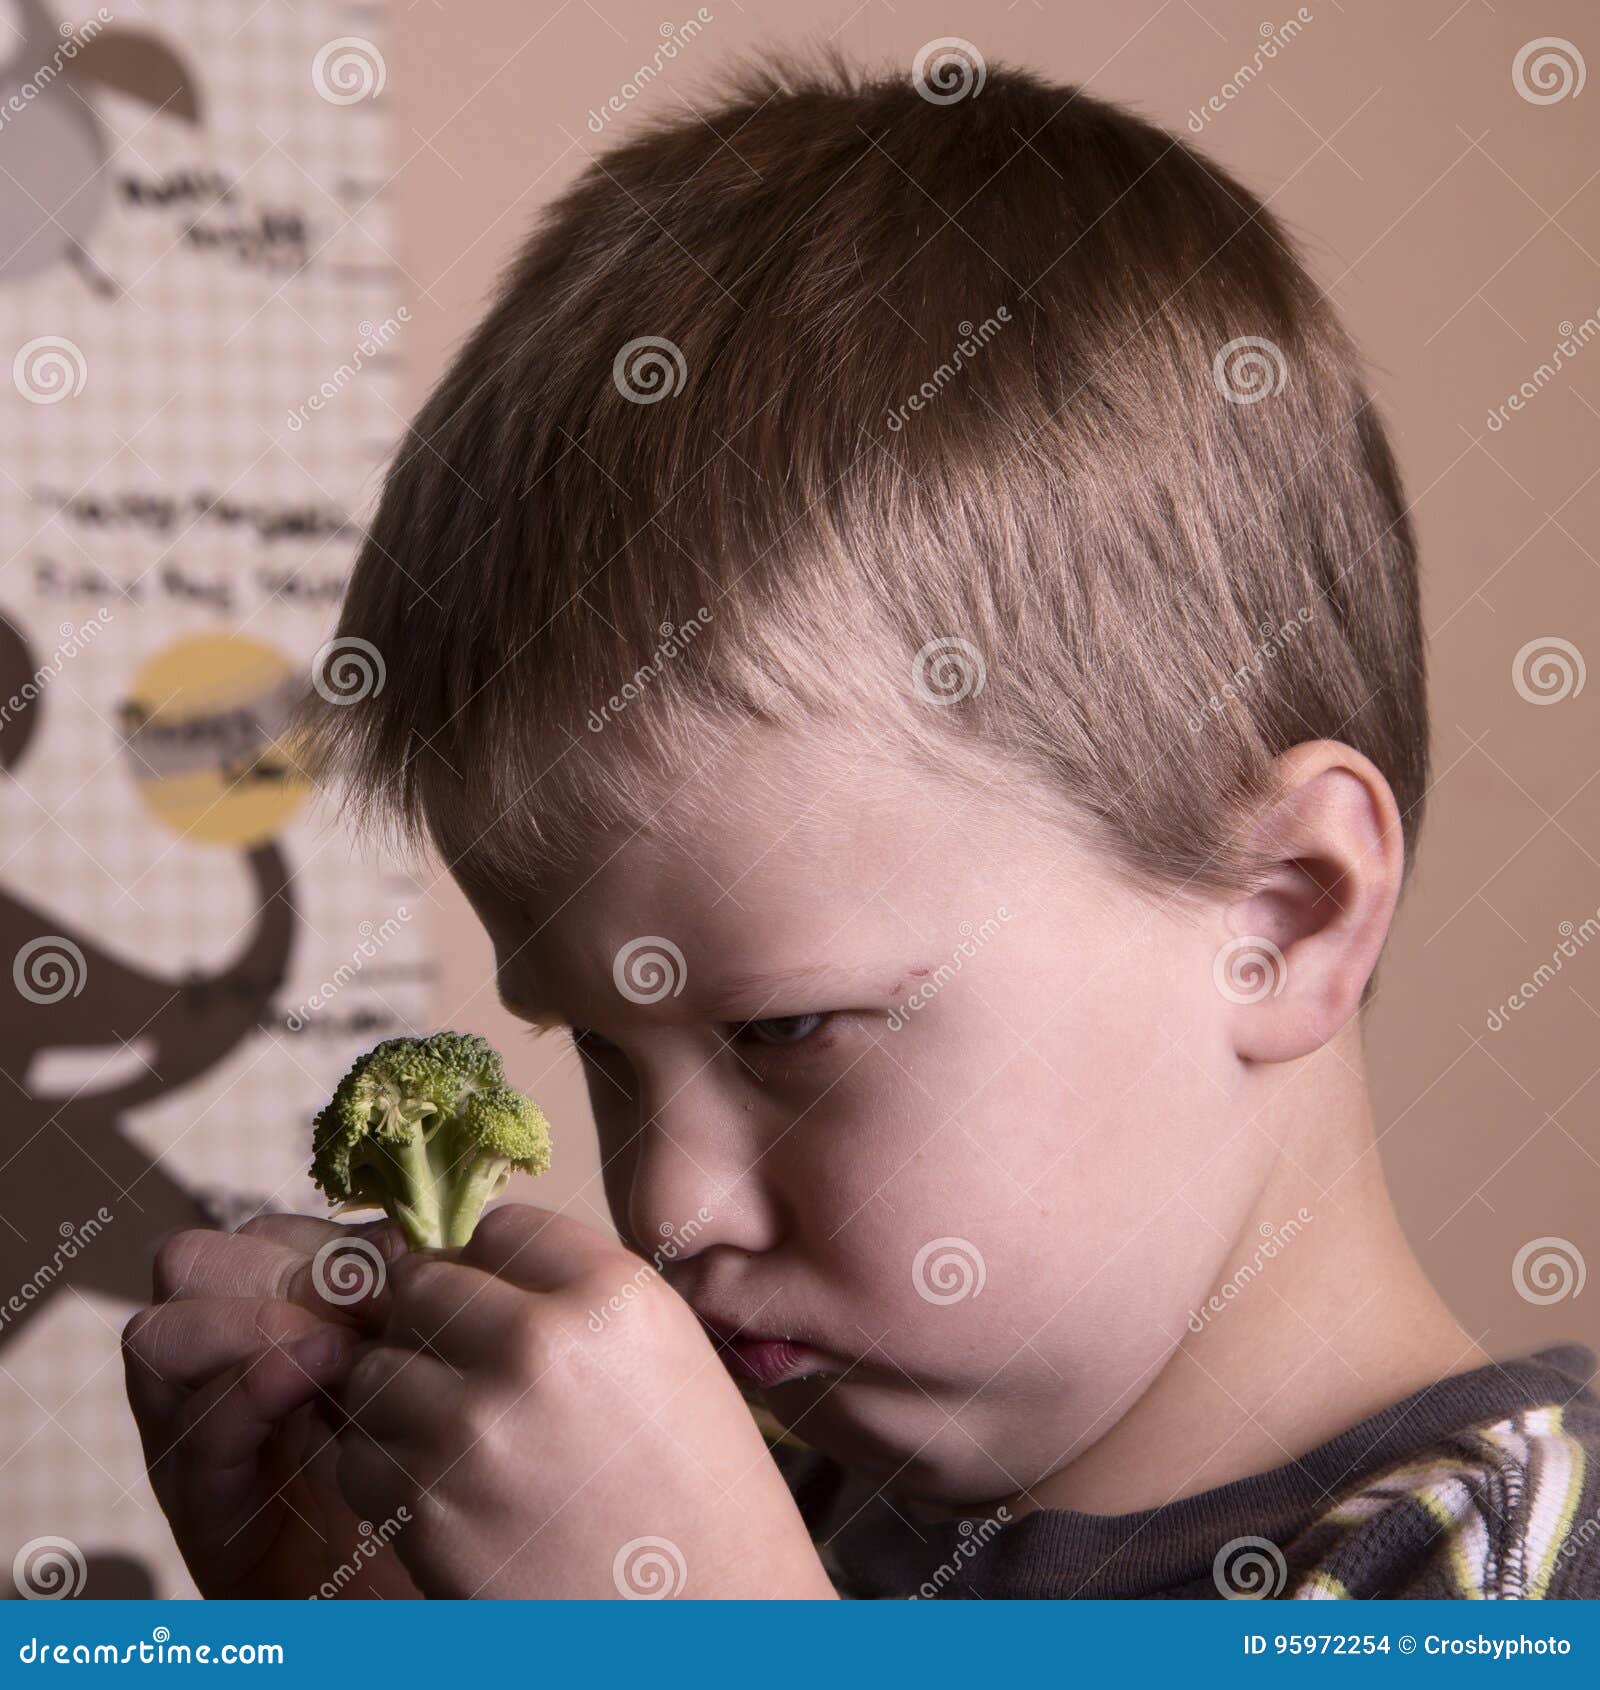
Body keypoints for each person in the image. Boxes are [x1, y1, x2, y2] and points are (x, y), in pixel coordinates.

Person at [123, 49, 1598, 1600]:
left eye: (787, 1029)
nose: (668, 1206)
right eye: (608, 1056)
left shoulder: (1516, 1568)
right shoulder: (754, 1505)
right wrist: (339, 1604)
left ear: (1286, 914)